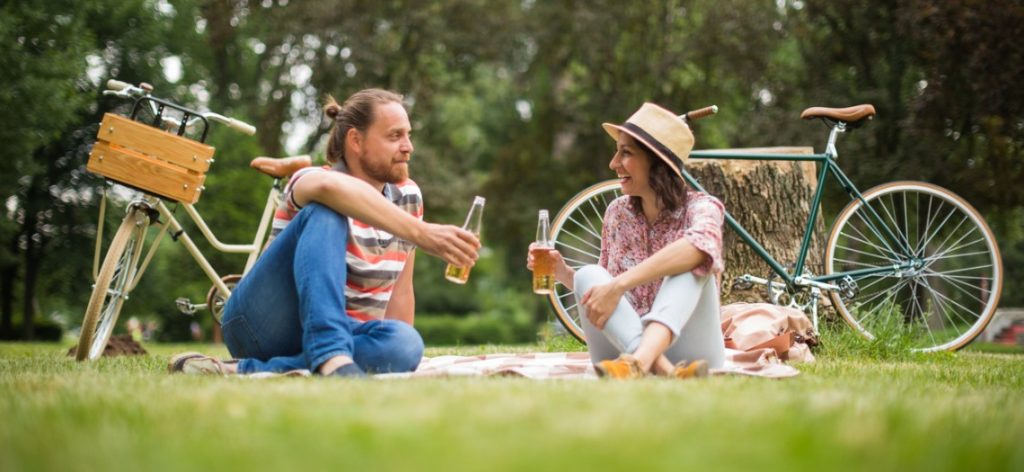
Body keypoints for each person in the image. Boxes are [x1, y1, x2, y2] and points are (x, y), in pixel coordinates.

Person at [170, 88, 480, 377]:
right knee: (327, 210)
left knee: (407, 343)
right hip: (263, 324)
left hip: (342, 335)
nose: (408, 146)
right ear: (355, 141)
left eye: (408, 135)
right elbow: (329, 188)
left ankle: (249, 369)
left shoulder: (408, 198)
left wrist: (400, 362)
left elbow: (401, 291)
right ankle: (330, 355)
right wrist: (423, 233)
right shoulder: (312, 180)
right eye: (395, 136)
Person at [528, 103, 726, 379]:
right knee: (590, 273)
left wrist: (620, 283)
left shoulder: (704, 207)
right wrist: (563, 274)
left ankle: (640, 363)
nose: (613, 163)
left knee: (693, 260)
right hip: (621, 352)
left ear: (658, 162)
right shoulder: (617, 213)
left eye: (626, 153)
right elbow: (603, 295)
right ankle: (659, 369)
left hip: (693, 351)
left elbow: (698, 248)